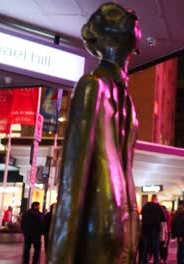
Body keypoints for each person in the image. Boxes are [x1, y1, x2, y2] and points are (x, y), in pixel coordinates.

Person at [48, 3, 141, 263]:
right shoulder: (92, 86)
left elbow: (127, 169)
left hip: (121, 231)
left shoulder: (129, 103)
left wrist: (133, 227)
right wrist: (60, 258)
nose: (133, 15)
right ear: (98, 37)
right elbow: (71, 181)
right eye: (114, 14)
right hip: (96, 231)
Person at [141, 194, 166, 264]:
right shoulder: (158, 207)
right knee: (155, 249)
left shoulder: (145, 206)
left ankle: (144, 262)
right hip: (155, 231)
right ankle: (155, 262)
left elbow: (142, 215)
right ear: (156, 199)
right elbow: (164, 218)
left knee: (145, 248)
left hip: (146, 231)